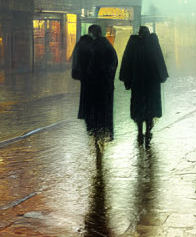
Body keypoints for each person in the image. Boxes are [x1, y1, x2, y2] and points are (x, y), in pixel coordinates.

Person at [72, 24, 119, 154]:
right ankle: (101, 133)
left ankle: (94, 132)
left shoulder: (85, 46)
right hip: (103, 86)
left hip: (90, 86)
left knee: (91, 110)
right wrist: (109, 77)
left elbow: (78, 67)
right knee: (103, 110)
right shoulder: (105, 46)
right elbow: (114, 62)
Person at [119, 25, 169, 146]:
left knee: (139, 107)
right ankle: (148, 131)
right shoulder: (153, 43)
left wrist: (127, 79)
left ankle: (140, 131)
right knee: (150, 108)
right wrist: (162, 77)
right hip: (152, 84)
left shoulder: (133, 44)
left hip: (138, 83)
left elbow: (127, 61)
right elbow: (159, 61)